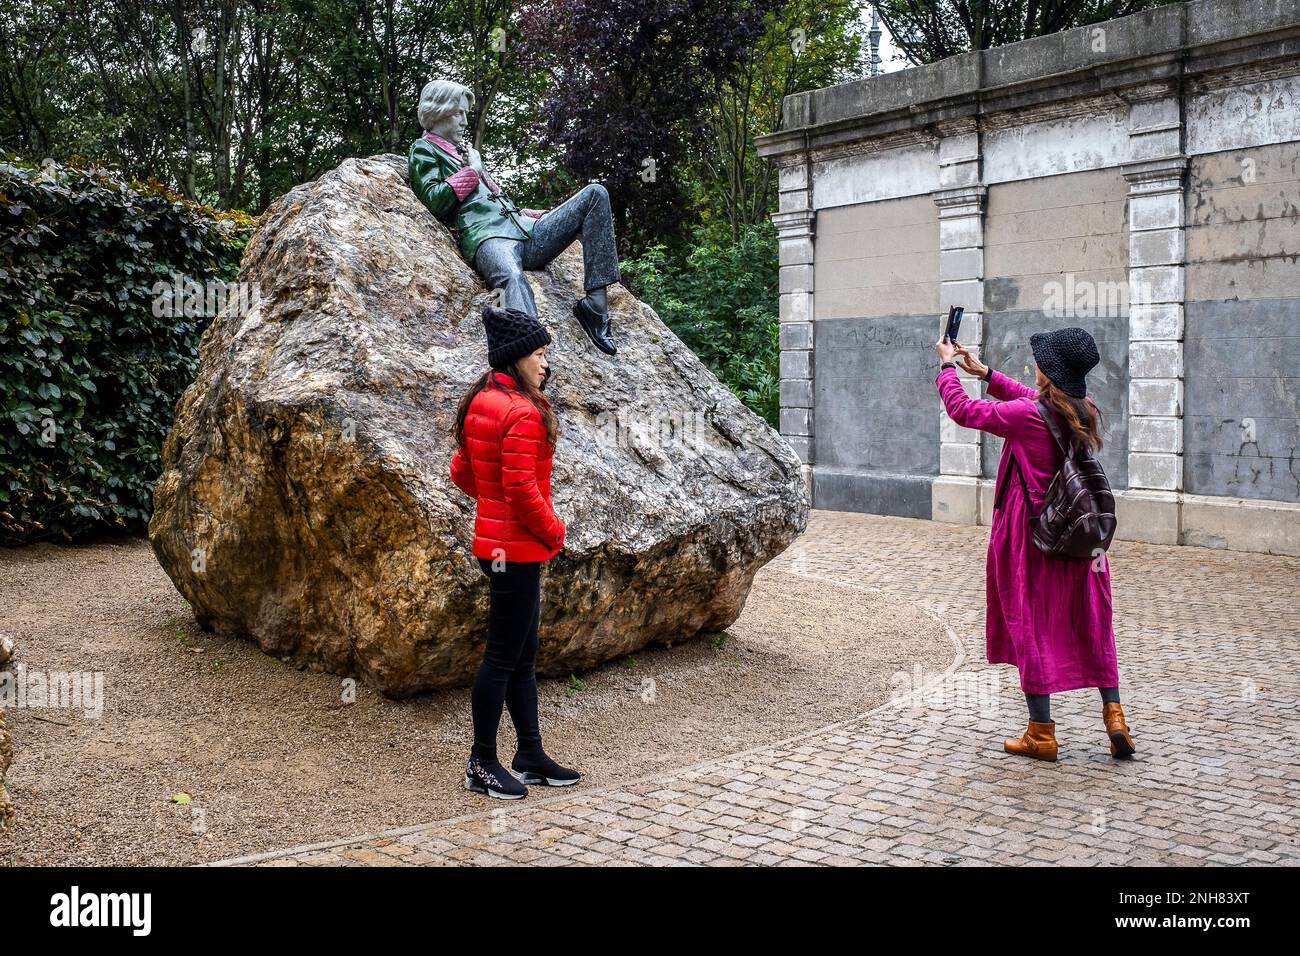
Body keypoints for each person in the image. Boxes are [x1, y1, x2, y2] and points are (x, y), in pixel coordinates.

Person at [933, 326, 1135, 762]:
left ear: (1048, 370)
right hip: (1081, 539)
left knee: (1033, 624)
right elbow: (1036, 400)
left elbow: (963, 411)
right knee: (1092, 620)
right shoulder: (1084, 407)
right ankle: (1114, 717)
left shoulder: (1026, 416)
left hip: (1033, 539)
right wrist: (986, 372)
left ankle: (1041, 734)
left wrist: (947, 366)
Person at [449, 305, 582, 798]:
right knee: (502, 658)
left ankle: (529, 754)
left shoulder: (482, 400)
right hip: (518, 548)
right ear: (517, 357)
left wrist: (495, 504)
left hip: (496, 544)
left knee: (522, 654)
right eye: (540, 354)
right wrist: (555, 532)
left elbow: (462, 472)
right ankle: (481, 764)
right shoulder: (523, 411)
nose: (545, 363)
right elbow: (525, 491)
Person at [409, 78, 619, 355]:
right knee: (511, 276)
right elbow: (435, 200)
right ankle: (532, 358)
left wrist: (544, 216)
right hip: (487, 236)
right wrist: (473, 171)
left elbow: (499, 200)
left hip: (524, 229)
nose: (463, 120)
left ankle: (594, 308)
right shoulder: (424, 149)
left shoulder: (466, 151)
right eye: (457, 113)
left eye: (465, 113)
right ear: (438, 112)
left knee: (595, 194)